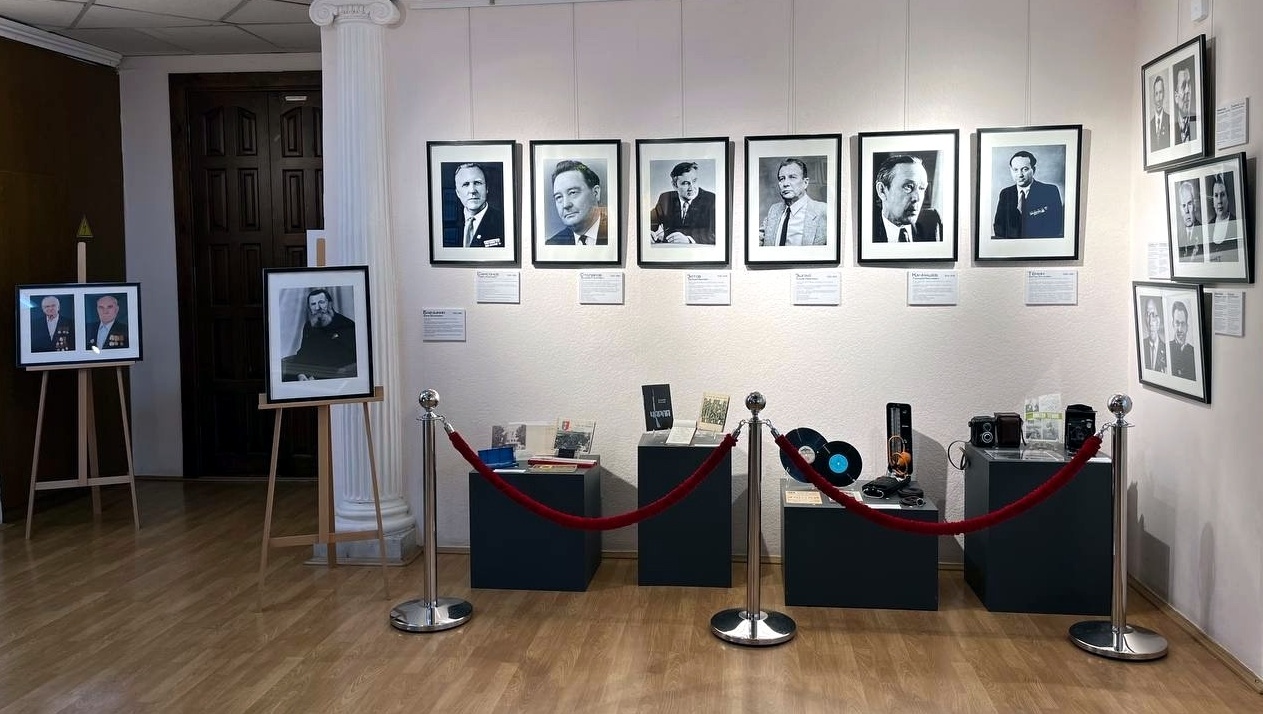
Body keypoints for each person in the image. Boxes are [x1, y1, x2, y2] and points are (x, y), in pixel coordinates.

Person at [282, 288, 357, 381]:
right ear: (310, 308)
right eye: (313, 304)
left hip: (331, 373)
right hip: (308, 372)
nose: (317, 308)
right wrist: (300, 374)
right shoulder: (309, 325)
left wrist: (316, 377)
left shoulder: (347, 324)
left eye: (321, 302)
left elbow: (346, 357)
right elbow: (303, 351)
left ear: (330, 304)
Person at [993, 150, 1064, 238]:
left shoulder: (1049, 191)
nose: (1020, 174)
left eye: (1025, 169)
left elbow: (1055, 226)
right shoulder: (1005, 193)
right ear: (1011, 170)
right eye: (1015, 170)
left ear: (1033, 170)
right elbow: (999, 227)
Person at [872, 155, 943, 243]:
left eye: (922, 188)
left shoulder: (932, 223)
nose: (917, 198)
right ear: (882, 191)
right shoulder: (866, 228)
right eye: (908, 186)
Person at [759, 158, 827, 246]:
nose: (785, 183)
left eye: (792, 177)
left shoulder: (823, 211)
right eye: (782, 179)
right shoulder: (773, 210)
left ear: (805, 183)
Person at [648, 161, 715, 245]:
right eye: (685, 183)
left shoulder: (712, 199)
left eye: (694, 181)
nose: (691, 188)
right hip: (668, 250)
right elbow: (649, 223)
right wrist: (647, 232)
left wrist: (688, 240)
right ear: (675, 185)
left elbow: (717, 233)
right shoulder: (665, 198)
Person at [545, 160, 607, 245]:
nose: (566, 205)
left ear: (595, 193)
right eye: (559, 197)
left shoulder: (616, 233)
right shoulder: (552, 244)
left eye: (573, 192)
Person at [443, 163, 504, 248]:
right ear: (457, 193)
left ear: (487, 188)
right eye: (465, 184)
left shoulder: (503, 221)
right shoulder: (444, 224)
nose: (472, 190)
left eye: (477, 183)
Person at [1205, 173, 1238, 263]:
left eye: (1222, 195)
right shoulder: (1208, 227)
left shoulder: (1236, 223)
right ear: (1212, 200)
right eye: (1216, 195)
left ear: (1228, 198)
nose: (1219, 201)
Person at [1176, 179, 1203, 262]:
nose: (1186, 210)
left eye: (1189, 204)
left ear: (1194, 205)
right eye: (1184, 206)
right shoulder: (1179, 238)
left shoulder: (1203, 232)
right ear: (1180, 210)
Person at [1168, 300, 1195, 380]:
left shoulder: (1194, 352)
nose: (1180, 329)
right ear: (1173, 324)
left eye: (1182, 323)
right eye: (1177, 323)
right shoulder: (1166, 348)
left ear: (1187, 327)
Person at [1141, 297, 1167, 373]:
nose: (1150, 321)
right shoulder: (1141, 345)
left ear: (1158, 320)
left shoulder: (1166, 349)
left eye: (1153, 314)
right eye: (1147, 315)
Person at [1174, 63, 1196, 145]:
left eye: (1189, 84)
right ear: (1176, 96)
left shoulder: (1197, 123)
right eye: (1183, 86)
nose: (1187, 91)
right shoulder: (1172, 129)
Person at [1149, 75, 1171, 151]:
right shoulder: (1150, 125)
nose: (1158, 98)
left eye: (1160, 92)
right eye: (1156, 93)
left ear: (1164, 94)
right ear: (1153, 96)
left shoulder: (1169, 119)